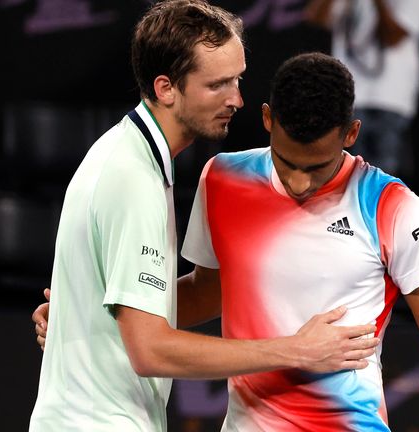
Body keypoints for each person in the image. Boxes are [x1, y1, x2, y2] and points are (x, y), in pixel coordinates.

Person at [35, 52, 419, 431]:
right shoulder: (223, 178)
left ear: (351, 134)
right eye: (289, 162)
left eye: (319, 167)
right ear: (267, 119)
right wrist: (88, 315)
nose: (301, 183)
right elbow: (206, 294)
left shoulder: (393, 207)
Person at [28, 2, 380, 431]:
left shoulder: (127, 155)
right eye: (218, 85)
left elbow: (188, 299)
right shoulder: (132, 179)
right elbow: (151, 351)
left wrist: (78, 314)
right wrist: (296, 350)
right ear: (166, 88)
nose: (237, 99)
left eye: (238, 79)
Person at [304, 0, 419, 175]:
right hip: (349, 99)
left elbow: (393, 37)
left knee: (382, 178)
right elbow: (316, 17)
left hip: (390, 99)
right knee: (345, 178)